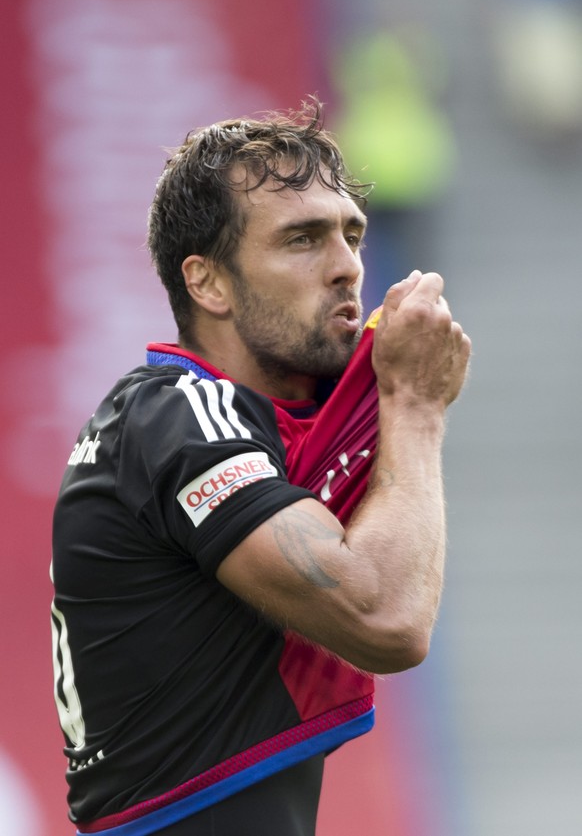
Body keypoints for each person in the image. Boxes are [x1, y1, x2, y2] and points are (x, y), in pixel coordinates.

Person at [50, 99, 471, 836]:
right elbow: (387, 617)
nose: (346, 268)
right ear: (208, 283)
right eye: (302, 239)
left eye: (352, 235)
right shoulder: (176, 414)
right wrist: (413, 403)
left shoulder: (237, 425)